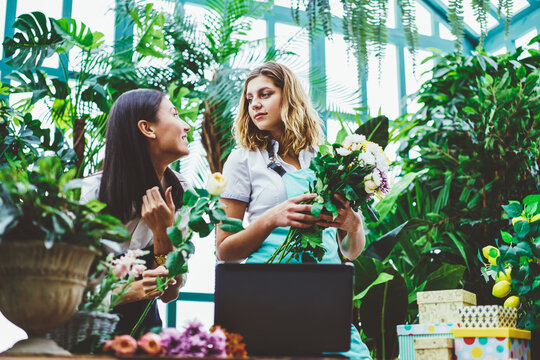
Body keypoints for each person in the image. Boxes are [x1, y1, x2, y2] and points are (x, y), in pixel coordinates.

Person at [216, 61, 372, 359]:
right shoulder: (243, 160)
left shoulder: (324, 158)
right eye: (249, 99)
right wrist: (272, 219)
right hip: (269, 297)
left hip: (326, 298)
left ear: (289, 97)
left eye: (265, 94)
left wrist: (353, 224)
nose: (255, 105)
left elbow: (350, 252)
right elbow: (225, 251)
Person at [81, 89, 191, 335]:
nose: (186, 126)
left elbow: (170, 293)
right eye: (174, 114)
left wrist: (162, 233)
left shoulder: (182, 192)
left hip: (147, 334)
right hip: (88, 336)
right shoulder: (92, 194)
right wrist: (131, 291)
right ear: (148, 129)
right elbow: (68, 291)